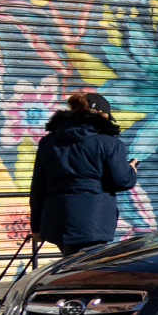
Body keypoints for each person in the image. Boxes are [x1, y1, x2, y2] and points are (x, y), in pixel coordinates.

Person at [29, 89, 139, 256]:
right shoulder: (109, 143)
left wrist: (36, 226)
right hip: (92, 222)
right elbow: (121, 180)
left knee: (70, 267)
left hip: (56, 220)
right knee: (83, 274)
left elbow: (38, 187)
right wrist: (130, 170)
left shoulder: (48, 142)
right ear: (101, 115)